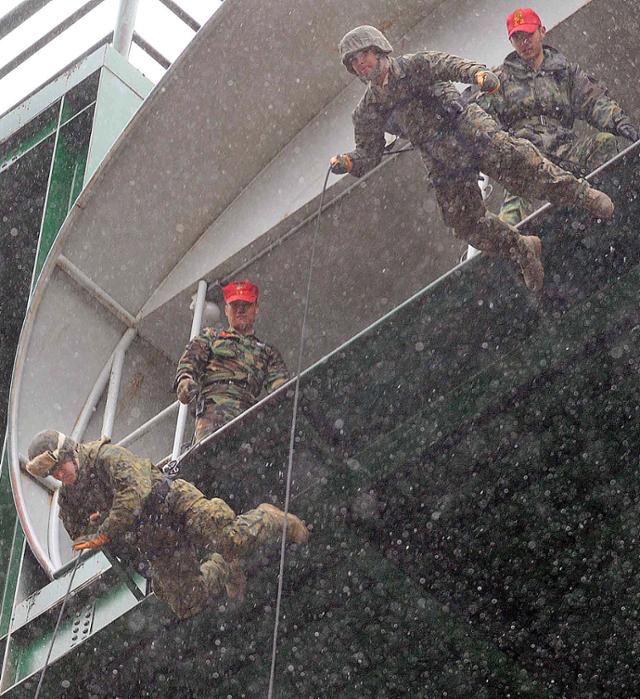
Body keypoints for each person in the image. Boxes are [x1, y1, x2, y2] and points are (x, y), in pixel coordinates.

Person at [330, 25, 616, 293]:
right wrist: (350, 162)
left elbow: (452, 65)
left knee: (525, 169)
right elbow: (369, 152)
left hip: (466, 128)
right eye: (353, 61)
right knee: (464, 221)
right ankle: (522, 250)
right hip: (439, 156)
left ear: (379, 50)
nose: (360, 64)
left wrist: (479, 76)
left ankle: (583, 195)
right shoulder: (367, 110)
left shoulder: (415, 65)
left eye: (363, 55)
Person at [25, 430, 309, 620]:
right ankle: (224, 566)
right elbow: (80, 538)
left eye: (60, 467)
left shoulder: (106, 457)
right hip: (154, 539)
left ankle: (270, 517)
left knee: (231, 539)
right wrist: (97, 531)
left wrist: (105, 527)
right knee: (185, 602)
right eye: (53, 473)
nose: (60, 475)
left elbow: (134, 494)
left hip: (172, 505)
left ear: (71, 454)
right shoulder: (69, 499)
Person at [474, 7, 639, 225]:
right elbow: (477, 116)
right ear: (511, 42)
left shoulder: (565, 72)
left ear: (542, 31)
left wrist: (621, 123)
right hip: (527, 153)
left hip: (565, 148)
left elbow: (594, 101)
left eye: (529, 35)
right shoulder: (500, 79)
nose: (524, 42)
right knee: (517, 192)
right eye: (518, 38)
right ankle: (509, 244)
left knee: (606, 144)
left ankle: (617, 201)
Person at [174, 281, 290, 442]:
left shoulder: (267, 351)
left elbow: (281, 388)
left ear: (256, 309)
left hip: (247, 418)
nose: (240, 310)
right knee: (207, 458)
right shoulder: (211, 336)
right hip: (212, 413)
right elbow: (191, 361)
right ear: (226, 310)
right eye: (235, 305)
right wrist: (185, 381)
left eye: (246, 305)